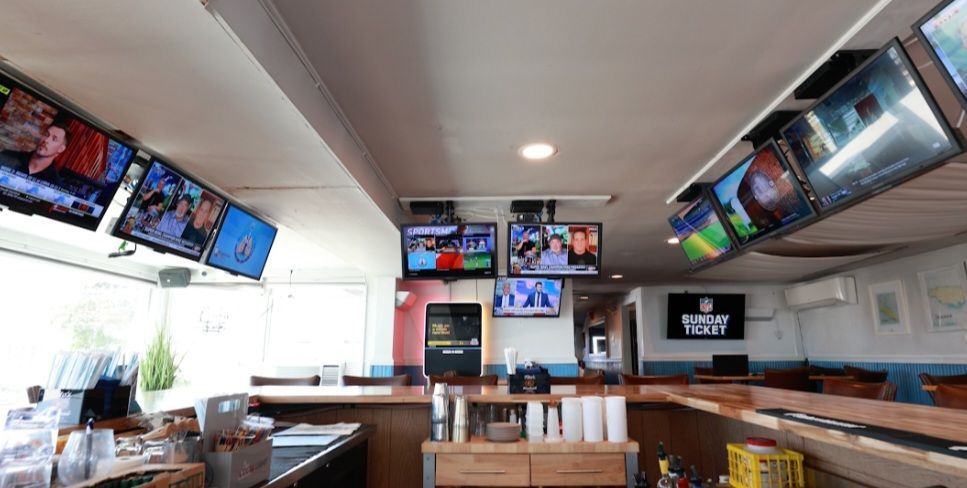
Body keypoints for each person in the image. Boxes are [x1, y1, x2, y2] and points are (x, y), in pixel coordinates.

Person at [0, 122, 70, 188]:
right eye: (46, 134)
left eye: (54, 139)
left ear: (61, 149)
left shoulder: (55, 183)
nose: (46, 140)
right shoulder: (6, 156)